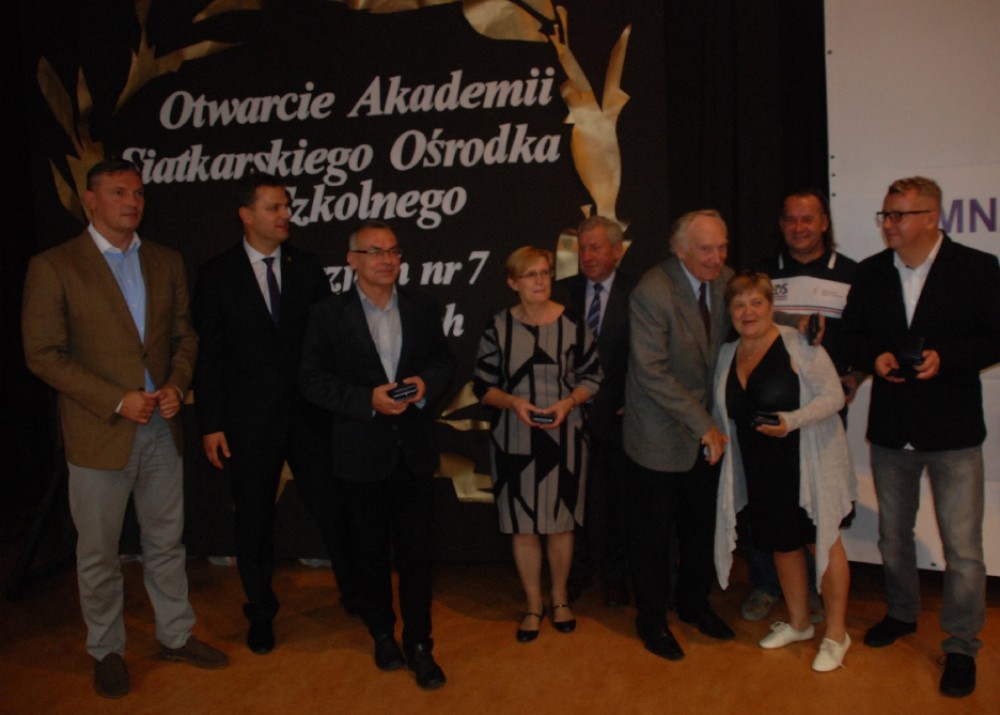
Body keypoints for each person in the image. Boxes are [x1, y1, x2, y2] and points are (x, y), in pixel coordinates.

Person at [21, 159, 228, 699]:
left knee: (166, 542)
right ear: (90, 200)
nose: (132, 202)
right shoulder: (54, 265)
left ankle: (176, 635)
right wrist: (116, 399)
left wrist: (176, 386)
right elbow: (42, 353)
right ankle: (106, 649)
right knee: (98, 553)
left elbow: (185, 338)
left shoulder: (164, 260)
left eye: (137, 193)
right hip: (99, 432)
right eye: (118, 192)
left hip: (161, 426)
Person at [840, 176, 1000, 698]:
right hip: (892, 430)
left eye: (898, 215)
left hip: (953, 431)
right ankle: (902, 613)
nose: (888, 224)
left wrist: (945, 359)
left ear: (931, 218)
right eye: (885, 215)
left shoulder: (977, 267)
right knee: (893, 536)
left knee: (964, 549)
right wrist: (875, 358)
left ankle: (961, 646)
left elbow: (995, 336)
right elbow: (852, 335)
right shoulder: (870, 272)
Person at [191, 172, 356, 655]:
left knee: (333, 508)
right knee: (254, 519)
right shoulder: (216, 274)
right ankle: (261, 612)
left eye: (287, 206)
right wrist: (211, 423)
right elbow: (209, 355)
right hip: (248, 422)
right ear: (246, 215)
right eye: (274, 207)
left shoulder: (307, 266)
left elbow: (327, 343)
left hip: (309, 417)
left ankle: (355, 592)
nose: (285, 215)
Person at [300, 220, 455, 690]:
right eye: (374, 251)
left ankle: (420, 643)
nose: (386, 260)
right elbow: (311, 379)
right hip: (359, 452)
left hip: (413, 452)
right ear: (352, 261)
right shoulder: (328, 314)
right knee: (368, 553)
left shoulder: (422, 307)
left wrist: (426, 385)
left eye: (393, 251)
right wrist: (367, 400)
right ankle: (382, 634)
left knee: (417, 555)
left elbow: (445, 363)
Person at [713, 271, 856, 672]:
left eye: (756, 303)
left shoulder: (799, 344)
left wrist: (791, 422)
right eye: (739, 305)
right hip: (760, 468)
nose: (748, 312)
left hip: (806, 464)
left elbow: (833, 396)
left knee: (822, 542)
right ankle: (799, 624)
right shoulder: (727, 354)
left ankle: (836, 634)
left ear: (771, 306)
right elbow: (724, 412)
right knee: (782, 545)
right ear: (730, 312)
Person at [622, 209, 736, 661]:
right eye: (706, 249)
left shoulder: (724, 280)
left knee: (700, 528)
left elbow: (755, 311)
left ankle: (693, 604)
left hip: (707, 436)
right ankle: (651, 619)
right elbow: (651, 372)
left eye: (722, 247)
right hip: (658, 436)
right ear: (679, 249)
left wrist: (798, 324)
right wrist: (703, 424)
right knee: (652, 539)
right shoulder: (652, 291)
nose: (716, 258)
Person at [742, 188, 859, 623]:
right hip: (768, 408)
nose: (799, 227)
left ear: (824, 223)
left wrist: (857, 374)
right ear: (781, 225)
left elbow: (865, 335)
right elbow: (744, 324)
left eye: (808, 219)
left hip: (821, 411)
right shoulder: (762, 275)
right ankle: (766, 584)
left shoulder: (851, 273)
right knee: (768, 501)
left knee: (815, 508)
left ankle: (817, 592)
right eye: (790, 219)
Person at [474, 246, 602, 642]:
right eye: (530, 274)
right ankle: (533, 604)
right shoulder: (498, 328)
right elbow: (483, 387)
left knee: (561, 525)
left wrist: (568, 402)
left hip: (565, 437)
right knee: (523, 527)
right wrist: (514, 403)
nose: (540, 280)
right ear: (512, 282)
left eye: (545, 272)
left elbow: (593, 378)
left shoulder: (573, 324)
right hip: (514, 439)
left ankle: (559, 599)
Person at [553, 216, 636, 607]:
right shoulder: (561, 292)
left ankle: (616, 575)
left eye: (596, 247)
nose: (587, 256)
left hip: (619, 416)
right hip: (570, 416)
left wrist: (634, 399)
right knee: (575, 499)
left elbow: (649, 353)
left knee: (619, 500)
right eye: (582, 248)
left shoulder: (639, 292)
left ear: (617, 250)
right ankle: (579, 570)